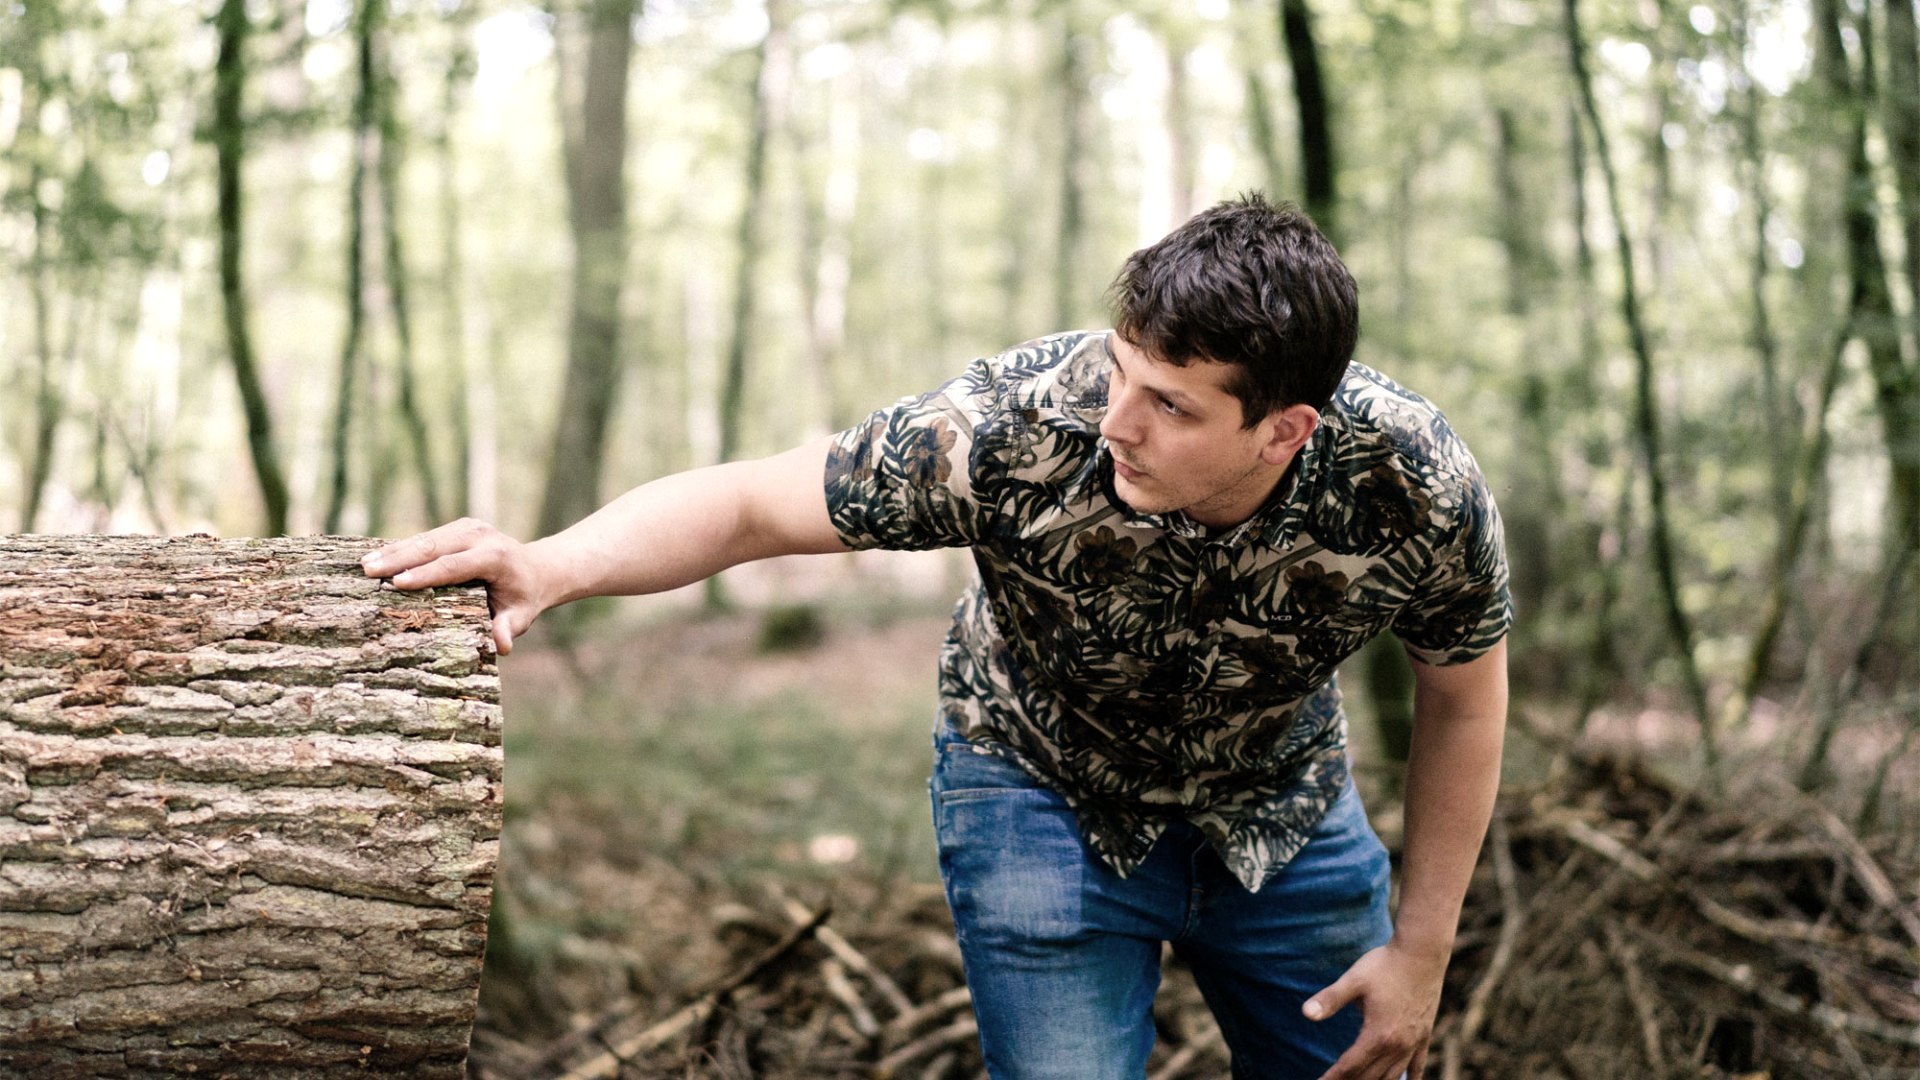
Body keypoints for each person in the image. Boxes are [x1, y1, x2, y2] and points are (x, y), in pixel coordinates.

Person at [362, 193, 1510, 1080]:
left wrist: (1422, 951)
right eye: (1121, 372)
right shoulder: (1016, 427)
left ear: (1284, 431)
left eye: (1172, 404)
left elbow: (1463, 697)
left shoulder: (1412, 485)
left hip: (1280, 816)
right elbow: (759, 503)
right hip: (1037, 791)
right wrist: (550, 563)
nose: (1117, 421)